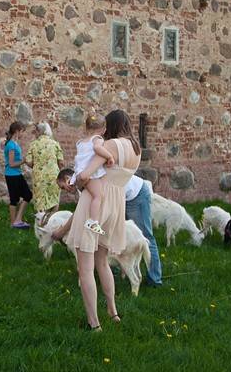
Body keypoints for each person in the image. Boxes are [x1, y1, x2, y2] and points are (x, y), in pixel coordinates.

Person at [57, 110, 140, 330]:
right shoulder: (136, 149)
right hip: (116, 204)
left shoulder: (110, 145)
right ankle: (113, 312)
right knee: (102, 261)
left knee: (85, 268)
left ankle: (94, 323)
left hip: (96, 203)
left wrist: (78, 183)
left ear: (109, 126)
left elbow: (85, 175)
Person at [53, 168, 163, 289]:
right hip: (118, 198)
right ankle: (114, 271)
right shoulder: (82, 187)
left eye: (63, 187)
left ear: (67, 178)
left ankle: (154, 279)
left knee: (144, 236)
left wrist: (62, 231)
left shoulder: (86, 178)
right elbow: (82, 212)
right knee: (112, 235)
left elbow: (78, 213)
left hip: (135, 194)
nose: (66, 191)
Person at [70, 113, 114, 236]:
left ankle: (89, 219)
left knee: (89, 195)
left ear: (86, 128)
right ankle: (93, 221)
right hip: (91, 174)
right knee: (99, 196)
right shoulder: (97, 139)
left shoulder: (80, 142)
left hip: (80, 171)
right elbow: (97, 149)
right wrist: (109, 156)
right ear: (103, 130)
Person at [25, 121, 65, 225]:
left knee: (40, 199)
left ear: (39, 132)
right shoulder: (55, 144)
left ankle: (41, 223)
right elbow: (61, 162)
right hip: (53, 175)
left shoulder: (33, 144)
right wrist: (55, 168)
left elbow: (28, 161)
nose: (35, 134)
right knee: (54, 198)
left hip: (38, 176)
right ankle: (51, 220)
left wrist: (36, 166)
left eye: (35, 132)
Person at [4, 121, 32, 228]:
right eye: (22, 132)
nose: (22, 134)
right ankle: (14, 222)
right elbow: (11, 164)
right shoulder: (11, 145)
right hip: (12, 175)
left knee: (27, 195)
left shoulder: (14, 143)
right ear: (17, 132)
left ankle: (17, 220)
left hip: (16, 174)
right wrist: (23, 161)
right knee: (15, 199)